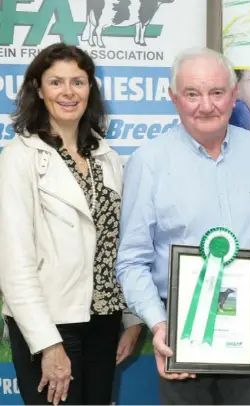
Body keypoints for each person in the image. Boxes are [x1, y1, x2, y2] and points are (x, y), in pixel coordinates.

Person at [116, 47, 250, 405]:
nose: (206, 106)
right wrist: (159, 323)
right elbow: (131, 260)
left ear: (234, 94)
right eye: (192, 94)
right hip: (181, 327)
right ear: (173, 98)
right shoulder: (148, 162)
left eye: (216, 92)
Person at [0, 43, 142, 406]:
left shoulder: (106, 157)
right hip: (50, 324)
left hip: (104, 320)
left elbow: (118, 243)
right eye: (56, 82)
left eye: (78, 82)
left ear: (90, 89)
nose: (68, 92)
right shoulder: (18, 158)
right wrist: (48, 343)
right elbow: (14, 263)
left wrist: (130, 318)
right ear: (37, 89)